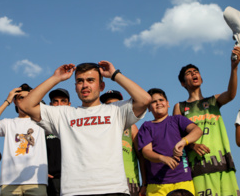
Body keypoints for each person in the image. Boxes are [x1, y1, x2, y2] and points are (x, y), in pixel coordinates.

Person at [19, 61, 151, 196]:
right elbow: (26, 105)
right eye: (80, 81)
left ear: (101, 86)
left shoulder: (116, 110)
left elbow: (145, 100)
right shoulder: (63, 114)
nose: (85, 85)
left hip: (113, 189)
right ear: (75, 87)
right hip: (74, 191)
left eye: (90, 80)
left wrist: (114, 74)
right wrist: (56, 78)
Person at [172, 47, 240, 196]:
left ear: (201, 78)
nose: (193, 73)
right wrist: (192, 145)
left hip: (223, 163)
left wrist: (234, 67)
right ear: (183, 83)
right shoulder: (180, 107)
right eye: (188, 73)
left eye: (195, 71)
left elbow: (231, 94)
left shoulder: (214, 101)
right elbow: (175, 137)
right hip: (198, 165)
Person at [0, 84, 48, 196]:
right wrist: (7, 101)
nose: (25, 101)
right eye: (21, 98)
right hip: (9, 182)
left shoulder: (40, 120)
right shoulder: (8, 123)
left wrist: (36, 96)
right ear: (15, 101)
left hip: (36, 181)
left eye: (29, 97)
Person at [138, 88, 202, 196]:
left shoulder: (178, 120)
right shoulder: (146, 126)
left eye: (161, 100)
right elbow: (146, 152)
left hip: (183, 181)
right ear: (148, 108)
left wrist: (183, 141)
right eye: (153, 102)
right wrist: (162, 158)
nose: (158, 103)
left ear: (168, 104)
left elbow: (197, 131)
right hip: (156, 185)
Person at [100, 89, 146, 196]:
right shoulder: (98, 129)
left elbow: (141, 157)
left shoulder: (132, 127)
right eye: (108, 105)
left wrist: (144, 184)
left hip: (130, 183)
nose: (111, 107)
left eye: (115, 104)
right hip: (105, 183)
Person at [46, 88, 71, 196]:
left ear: (69, 104)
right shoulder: (43, 125)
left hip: (72, 178)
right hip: (50, 179)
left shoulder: (75, 123)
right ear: (50, 104)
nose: (59, 104)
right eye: (55, 101)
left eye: (63, 101)